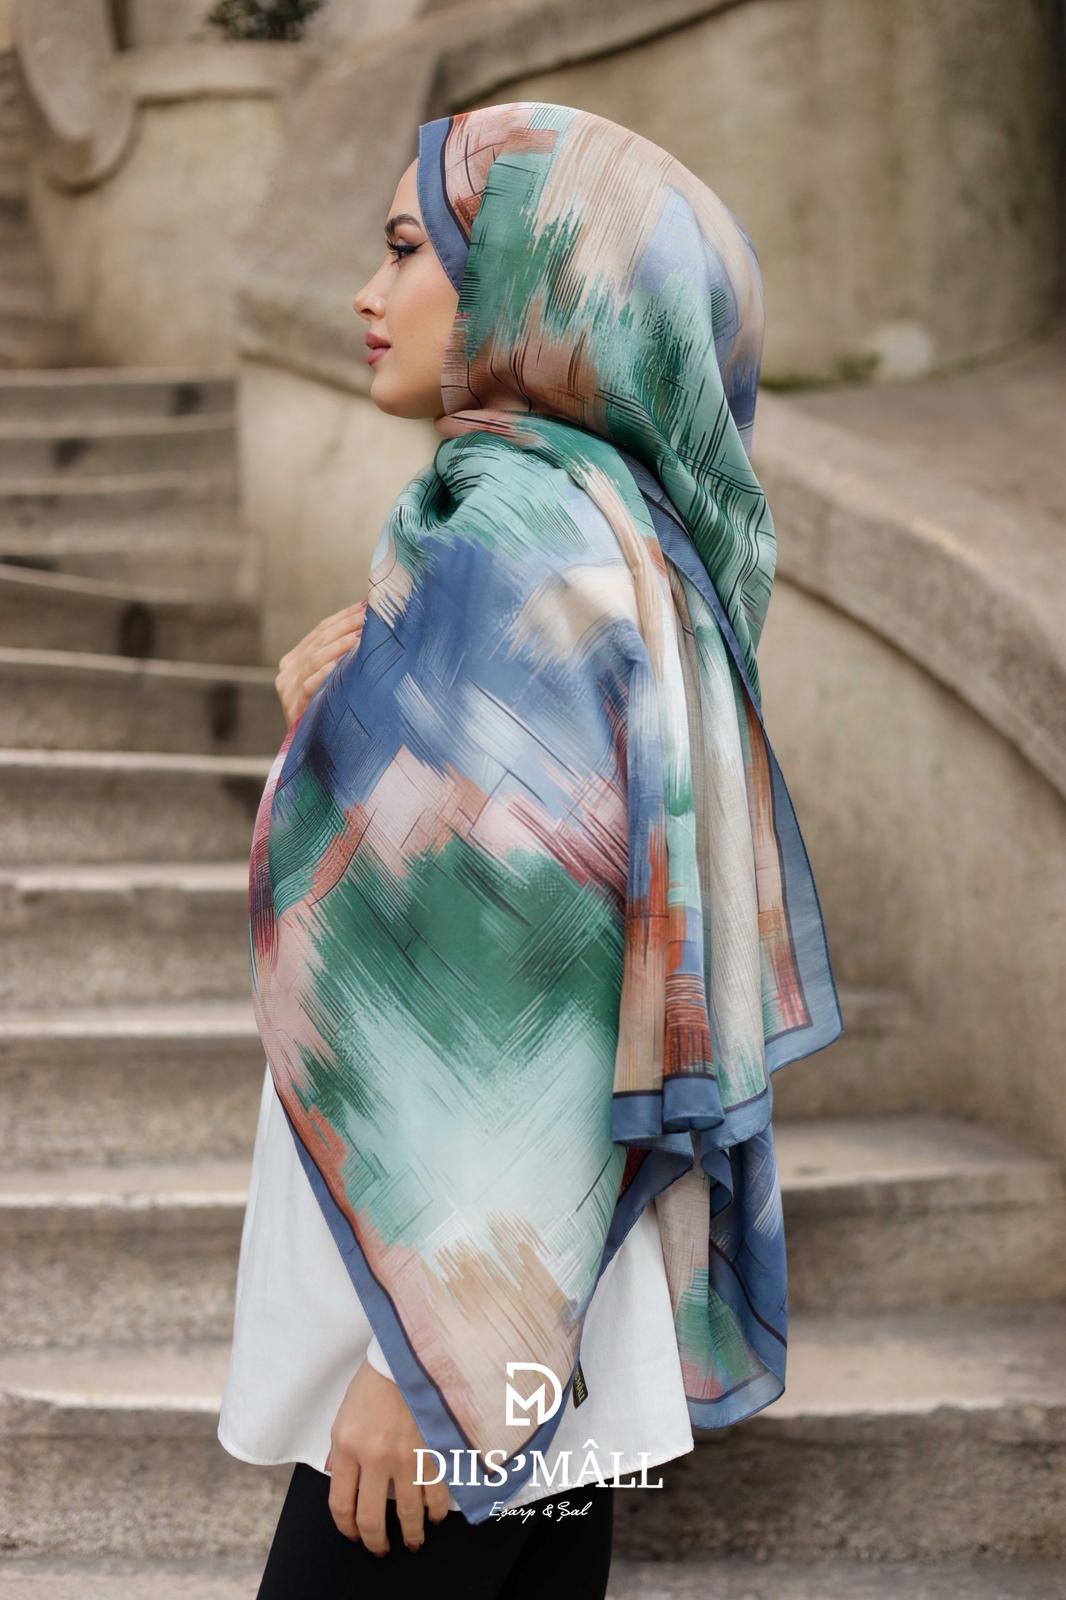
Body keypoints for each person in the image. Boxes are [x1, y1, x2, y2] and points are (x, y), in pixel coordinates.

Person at [218, 100, 842, 1599]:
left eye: (405, 250)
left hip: (452, 1326)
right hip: (558, 1313)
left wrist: (416, 1371)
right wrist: (332, 716)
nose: (366, 295)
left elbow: (510, 987)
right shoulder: (624, 534)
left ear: (531, 287)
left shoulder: (499, 542)